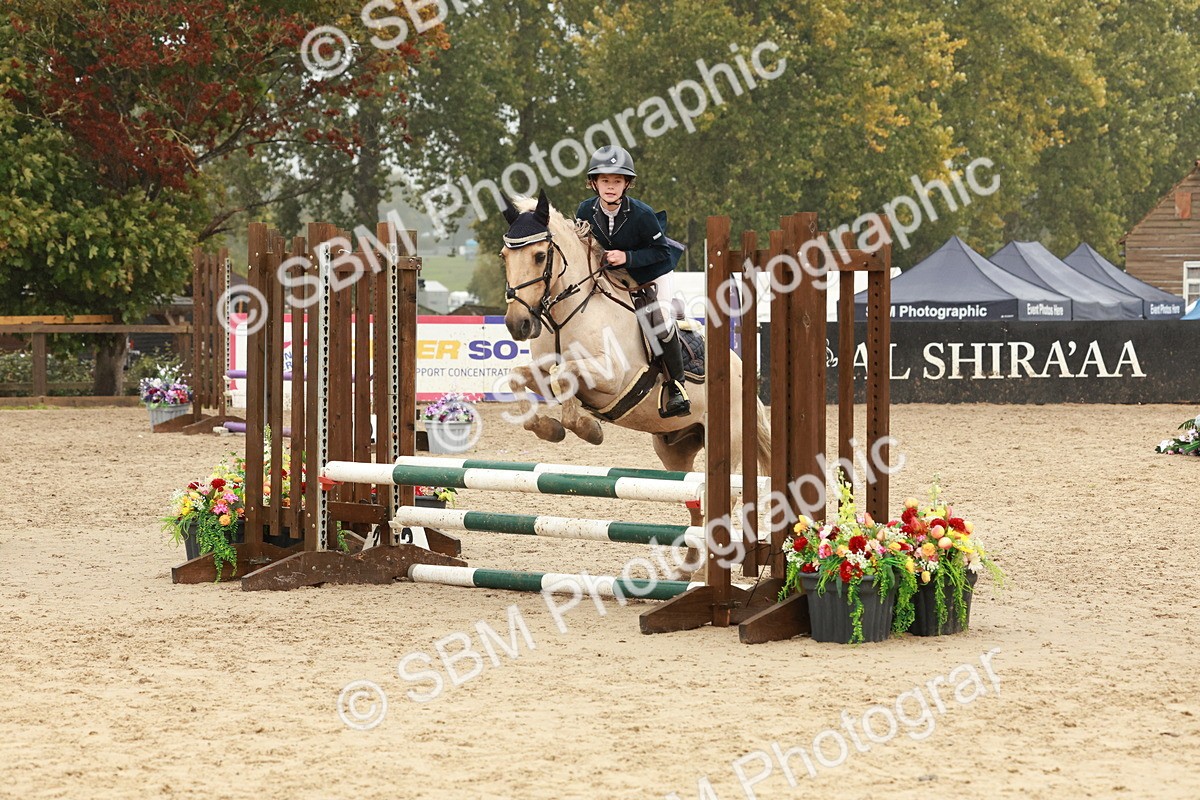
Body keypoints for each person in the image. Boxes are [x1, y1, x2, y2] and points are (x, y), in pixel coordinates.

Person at [575, 145, 690, 418]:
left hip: (652, 273)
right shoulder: (585, 210)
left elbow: (662, 252)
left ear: (627, 184)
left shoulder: (642, 214)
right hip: (613, 276)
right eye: (605, 181)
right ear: (594, 183)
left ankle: (677, 387)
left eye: (617, 181)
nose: (610, 187)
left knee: (659, 318)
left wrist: (626, 257)